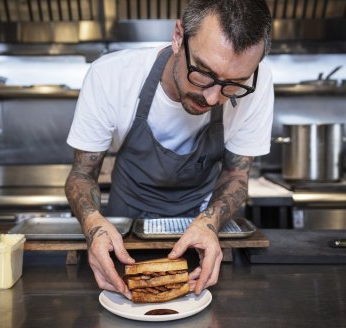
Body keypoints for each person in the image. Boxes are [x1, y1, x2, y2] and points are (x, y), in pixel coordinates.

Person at [65, 0, 274, 299]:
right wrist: (94, 225)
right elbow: (81, 175)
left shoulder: (259, 82)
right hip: (124, 235)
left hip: (200, 235)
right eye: (203, 72)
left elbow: (236, 176)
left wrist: (209, 223)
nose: (214, 98)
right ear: (179, 37)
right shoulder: (111, 77)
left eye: (233, 85)